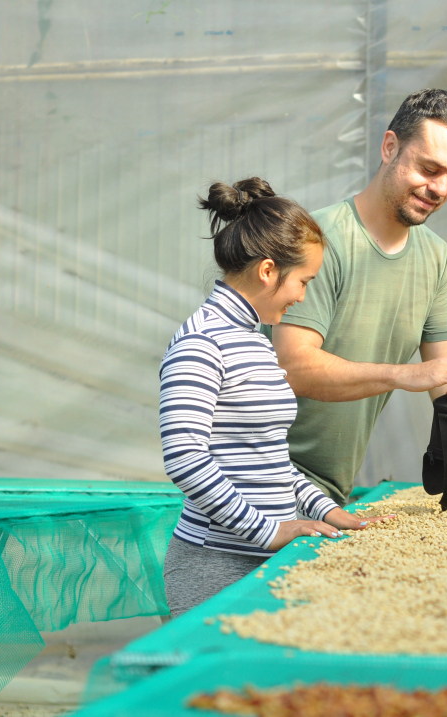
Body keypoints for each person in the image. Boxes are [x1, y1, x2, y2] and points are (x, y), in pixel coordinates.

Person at [159, 177, 393, 618]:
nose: (304, 296)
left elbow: (268, 458)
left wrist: (326, 510)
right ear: (268, 271)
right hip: (215, 565)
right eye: (303, 281)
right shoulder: (201, 343)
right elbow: (185, 458)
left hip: (263, 559)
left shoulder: (255, 341)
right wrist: (266, 531)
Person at [268, 89, 447, 506]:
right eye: (429, 168)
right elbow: (293, 367)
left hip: (327, 495)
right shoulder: (317, 240)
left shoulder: (437, 258)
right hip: (257, 482)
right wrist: (403, 374)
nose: (440, 188)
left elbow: (445, 377)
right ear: (390, 147)